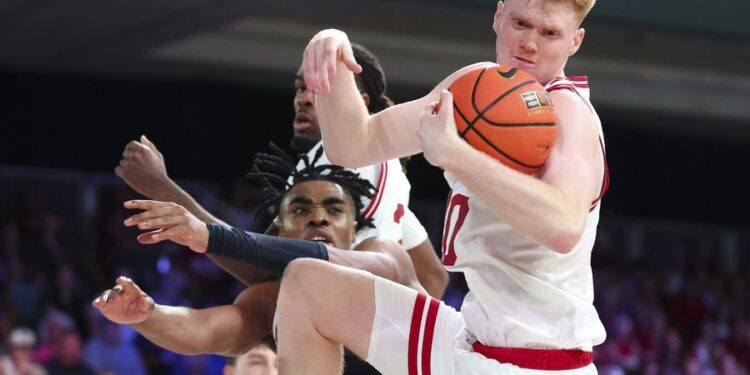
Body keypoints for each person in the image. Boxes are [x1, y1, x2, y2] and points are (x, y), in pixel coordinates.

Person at [274, 0, 609, 373]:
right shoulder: (475, 86)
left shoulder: (569, 112)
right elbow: (355, 145)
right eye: (520, 23)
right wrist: (332, 51)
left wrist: (454, 154)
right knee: (308, 285)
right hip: (471, 343)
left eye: (549, 33)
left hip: (541, 363)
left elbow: (563, 226)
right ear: (498, 17)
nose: (529, 43)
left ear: (574, 42)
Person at [114, 44, 447, 298]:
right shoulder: (378, 173)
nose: (302, 99)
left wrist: (162, 188)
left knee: (256, 307)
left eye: (316, 89)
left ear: (356, 101)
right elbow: (434, 277)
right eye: (300, 87)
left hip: (353, 316)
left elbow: (263, 270)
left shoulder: (343, 158)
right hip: (373, 324)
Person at [92, 147, 421, 372]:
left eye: (334, 210)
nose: (318, 218)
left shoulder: (386, 255)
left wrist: (202, 229)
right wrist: (147, 315)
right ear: (277, 233)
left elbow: (331, 264)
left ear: (355, 229)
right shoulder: (273, 300)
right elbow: (204, 331)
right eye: (300, 209)